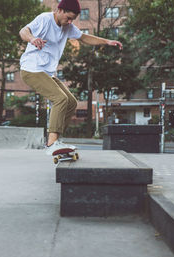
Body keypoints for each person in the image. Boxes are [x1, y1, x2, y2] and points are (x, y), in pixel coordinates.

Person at [19, 0, 122, 155]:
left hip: (46, 72)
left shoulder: (67, 27)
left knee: (71, 102)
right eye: (68, 18)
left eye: (72, 19)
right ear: (60, 10)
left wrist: (107, 41)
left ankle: (56, 139)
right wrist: (32, 39)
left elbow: (84, 37)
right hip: (31, 69)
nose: (70, 22)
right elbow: (23, 31)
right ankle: (51, 143)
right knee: (60, 99)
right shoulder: (45, 19)